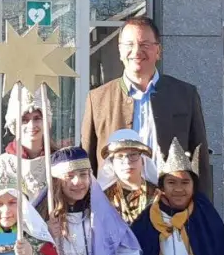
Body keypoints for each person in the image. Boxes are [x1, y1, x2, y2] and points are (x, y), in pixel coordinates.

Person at [81, 16, 213, 195]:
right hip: (115, 208)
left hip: (170, 204)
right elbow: (87, 161)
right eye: (129, 45)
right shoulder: (98, 99)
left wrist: (203, 211)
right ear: (120, 51)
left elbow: (200, 159)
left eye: (145, 45)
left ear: (158, 51)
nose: (136, 51)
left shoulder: (184, 94)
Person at [101, 128, 162, 225]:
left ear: (143, 160)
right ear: (112, 163)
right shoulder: (103, 198)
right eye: (120, 156)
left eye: (133, 155)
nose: (127, 162)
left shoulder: (158, 195)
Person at [2, 84, 51, 202]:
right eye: (24, 120)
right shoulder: (2, 166)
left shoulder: (58, 161)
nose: (32, 125)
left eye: (37, 118)